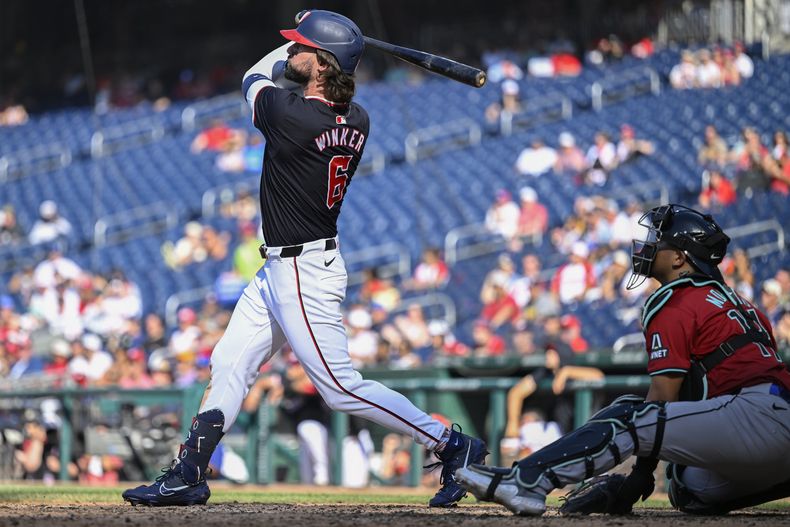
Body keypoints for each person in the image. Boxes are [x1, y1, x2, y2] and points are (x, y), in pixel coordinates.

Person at [123, 10, 486, 508]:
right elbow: (308, 83)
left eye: (300, 47)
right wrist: (328, 46)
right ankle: (189, 472)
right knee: (229, 362)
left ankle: (452, 446)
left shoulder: (288, 115)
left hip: (301, 272)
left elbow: (254, 75)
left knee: (339, 388)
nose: (290, 52)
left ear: (322, 64)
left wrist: (317, 47)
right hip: (281, 268)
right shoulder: (356, 118)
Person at [456, 204, 790, 516]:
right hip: (771, 421)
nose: (649, 246)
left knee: (631, 411)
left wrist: (638, 479)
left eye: (659, 241)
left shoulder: (676, 297)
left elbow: (662, 395)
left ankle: (526, 481)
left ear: (678, 259)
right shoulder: (745, 305)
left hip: (756, 415)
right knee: (687, 485)